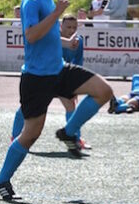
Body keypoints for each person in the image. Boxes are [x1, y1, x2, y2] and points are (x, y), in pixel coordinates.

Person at [0, 0, 114, 201]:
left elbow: (47, 34)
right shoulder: (31, 1)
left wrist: (65, 41)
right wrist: (58, 11)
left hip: (58, 70)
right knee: (30, 134)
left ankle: (69, 132)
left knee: (104, 90)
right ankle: (1, 180)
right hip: (36, 79)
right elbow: (32, 35)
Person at [11, 14, 91, 150]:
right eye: (68, 27)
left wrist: (75, 84)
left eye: (74, 27)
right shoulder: (52, 38)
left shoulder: (79, 41)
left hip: (61, 77)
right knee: (25, 108)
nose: (72, 30)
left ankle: (75, 139)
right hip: (42, 76)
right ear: (61, 26)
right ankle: (14, 137)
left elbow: (78, 62)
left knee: (71, 105)